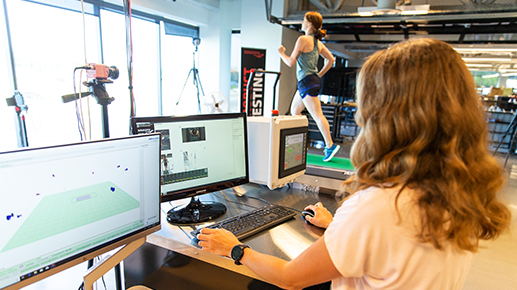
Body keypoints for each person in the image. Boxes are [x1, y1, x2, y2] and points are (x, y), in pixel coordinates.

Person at [197, 38, 511, 289]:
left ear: (386, 115)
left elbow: (290, 278)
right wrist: (339, 228)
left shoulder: (380, 205)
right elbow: (394, 252)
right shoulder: (461, 191)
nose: (361, 115)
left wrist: (234, 248)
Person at [278, 11, 340, 162]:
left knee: (317, 115)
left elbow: (290, 62)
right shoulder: (318, 43)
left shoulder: (303, 39)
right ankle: (298, 143)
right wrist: (319, 74)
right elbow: (331, 60)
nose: (302, 22)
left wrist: (281, 53)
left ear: (310, 24)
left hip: (306, 81)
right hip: (309, 81)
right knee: (295, 111)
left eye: (304, 20)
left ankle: (330, 145)